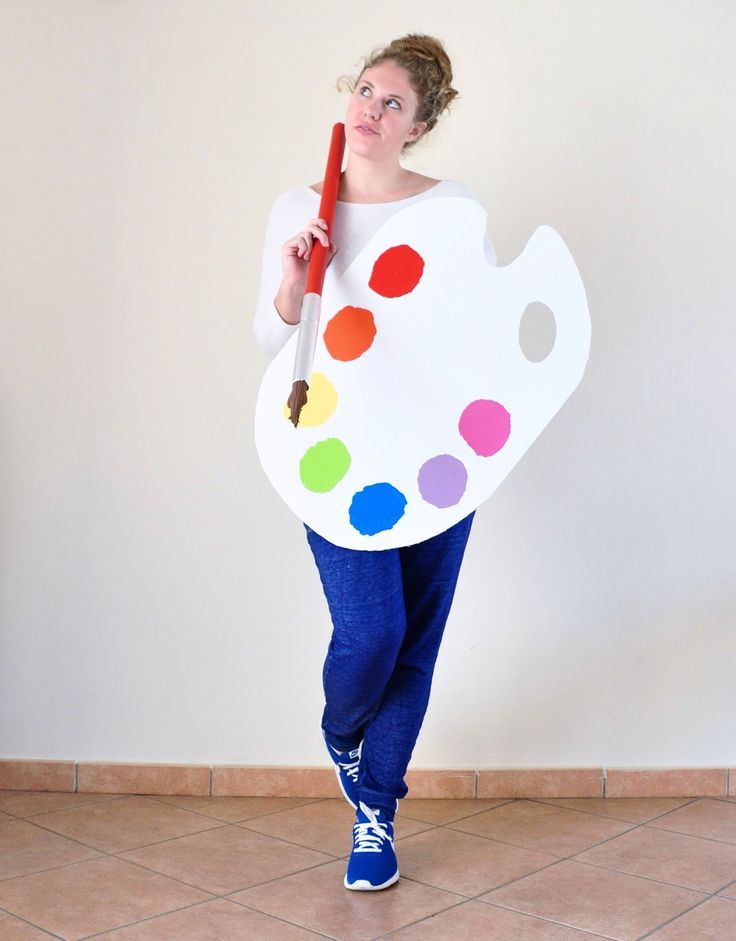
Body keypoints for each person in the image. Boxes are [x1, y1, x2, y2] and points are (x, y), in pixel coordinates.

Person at [254, 34, 496, 892]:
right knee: (373, 632)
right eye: (364, 90)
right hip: (334, 452)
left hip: (440, 456)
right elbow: (272, 333)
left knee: (417, 643)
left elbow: (477, 339)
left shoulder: (452, 207)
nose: (371, 109)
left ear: (419, 125)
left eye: (393, 102)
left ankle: (374, 816)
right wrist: (295, 277)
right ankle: (343, 731)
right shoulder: (302, 203)